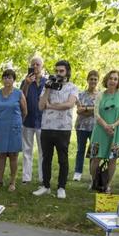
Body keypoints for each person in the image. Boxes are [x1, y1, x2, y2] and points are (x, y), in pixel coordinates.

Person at [35, 60, 78, 198]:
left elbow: (69, 104)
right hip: (47, 127)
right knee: (46, 158)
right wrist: (47, 89)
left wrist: (52, 106)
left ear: (67, 72)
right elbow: (41, 106)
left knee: (62, 159)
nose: (58, 74)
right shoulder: (47, 86)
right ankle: (46, 186)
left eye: (61, 71)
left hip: (63, 128)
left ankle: (61, 187)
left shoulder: (72, 87)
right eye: (57, 71)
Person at [90, 70, 119, 193]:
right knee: (96, 157)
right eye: (111, 78)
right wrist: (106, 126)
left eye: (115, 79)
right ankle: (94, 181)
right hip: (100, 130)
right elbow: (96, 113)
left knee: (113, 159)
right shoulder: (100, 95)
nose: (113, 81)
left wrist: (113, 126)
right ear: (107, 80)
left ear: (118, 82)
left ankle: (108, 184)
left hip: (117, 130)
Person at [0, 68, 27, 191]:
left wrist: (16, 121)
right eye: (5, 77)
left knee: (13, 155)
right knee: (1, 155)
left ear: (13, 79)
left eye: (10, 77)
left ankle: (12, 182)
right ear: (2, 79)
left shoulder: (19, 93)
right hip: (1, 127)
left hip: (14, 127)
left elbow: (25, 111)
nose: (7, 79)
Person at [21, 55, 46, 184]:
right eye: (33, 64)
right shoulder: (25, 81)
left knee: (43, 151)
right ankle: (26, 177)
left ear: (42, 66)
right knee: (27, 149)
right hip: (28, 120)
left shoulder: (47, 82)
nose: (35, 67)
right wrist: (27, 84)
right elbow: (21, 98)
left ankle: (43, 178)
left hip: (43, 121)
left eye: (37, 64)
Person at [74, 70, 99, 181]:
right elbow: (79, 111)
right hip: (81, 126)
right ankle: (78, 172)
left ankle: (92, 172)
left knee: (93, 151)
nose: (93, 81)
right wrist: (91, 109)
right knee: (80, 150)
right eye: (91, 79)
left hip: (95, 127)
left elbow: (99, 111)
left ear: (97, 81)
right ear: (87, 80)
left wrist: (86, 108)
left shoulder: (100, 96)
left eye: (95, 79)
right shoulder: (81, 94)